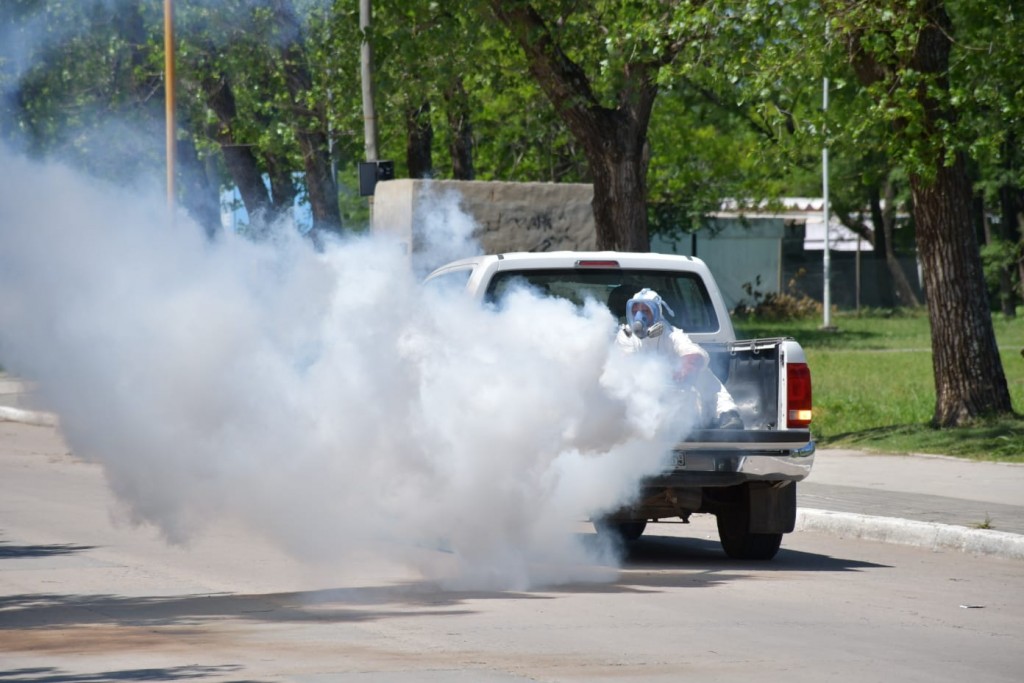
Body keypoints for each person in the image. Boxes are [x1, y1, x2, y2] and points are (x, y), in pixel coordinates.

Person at [615, 288, 743, 429]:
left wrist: (686, 369)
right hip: (639, 403)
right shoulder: (625, 336)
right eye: (635, 311)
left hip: (673, 398)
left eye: (645, 311)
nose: (639, 316)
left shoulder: (671, 335)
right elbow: (627, 367)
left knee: (703, 373)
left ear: (657, 312)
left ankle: (727, 414)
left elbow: (694, 354)